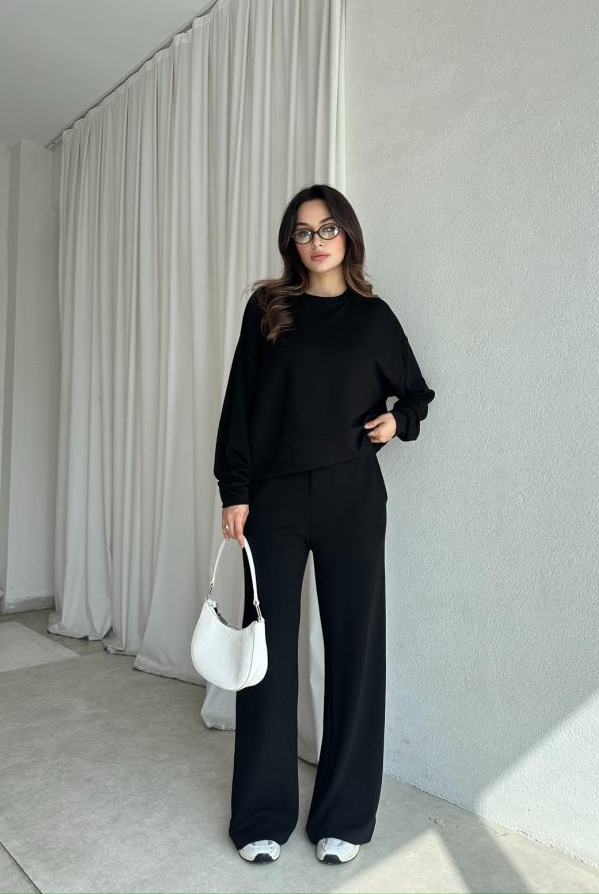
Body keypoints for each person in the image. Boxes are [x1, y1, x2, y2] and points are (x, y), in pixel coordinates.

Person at [213, 183, 435, 865]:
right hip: (274, 502)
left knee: (355, 654)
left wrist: (398, 421)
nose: (317, 241)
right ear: (291, 241)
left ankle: (343, 817)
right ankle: (261, 815)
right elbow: (240, 401)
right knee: (266, 657)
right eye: (304, 231)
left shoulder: (374, 318)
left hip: (351, 500)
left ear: (348, 235)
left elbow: (417, 393)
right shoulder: (268, 310)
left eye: (328, 227)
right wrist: (234, 488)